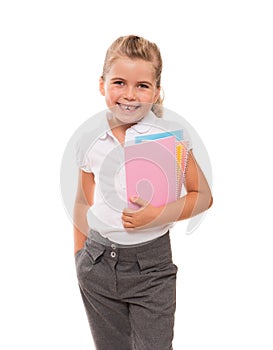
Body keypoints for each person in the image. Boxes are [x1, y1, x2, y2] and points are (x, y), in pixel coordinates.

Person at [73, 35, 213, 350]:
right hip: (96, 264)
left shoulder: (170, 136)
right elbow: (83, 200)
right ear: (102, 85)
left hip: (151, 268)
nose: (130, 95)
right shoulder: (89, 138)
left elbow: (202, 195)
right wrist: (79, 256)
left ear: (157, 90)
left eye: (142, 86)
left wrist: (156, 215)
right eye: (119, 83)